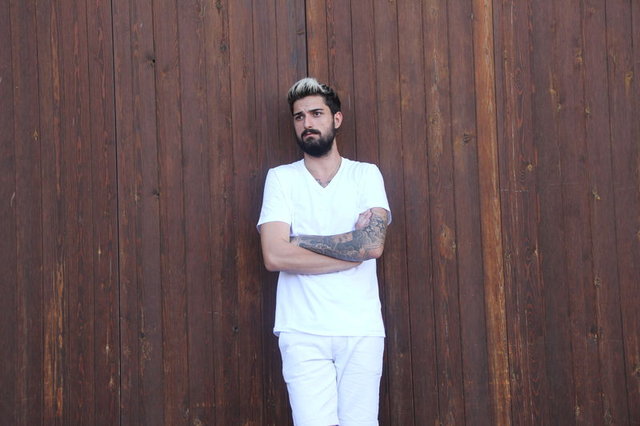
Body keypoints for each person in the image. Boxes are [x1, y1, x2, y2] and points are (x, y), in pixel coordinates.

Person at [257, 77, 391, 426]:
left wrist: (298, 241)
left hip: (360, 327)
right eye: (299, 116)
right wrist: (349, 251)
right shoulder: (281, 179)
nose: (307, 123)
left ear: (336, 119)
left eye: (316, 113)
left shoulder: (365, 175)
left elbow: (372, 245)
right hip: (302, 330)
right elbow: (274, 256)